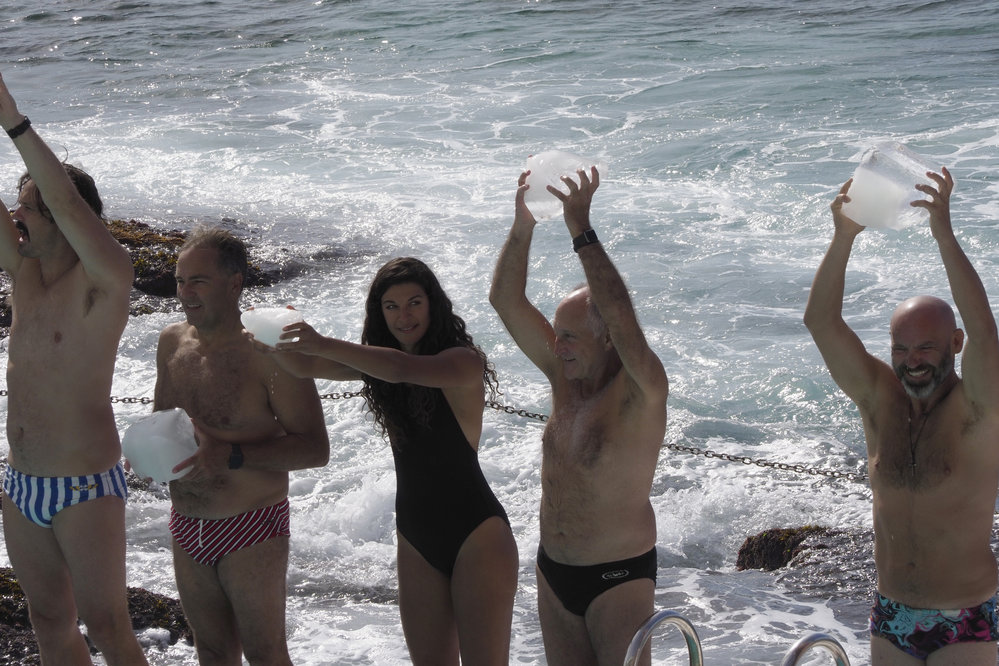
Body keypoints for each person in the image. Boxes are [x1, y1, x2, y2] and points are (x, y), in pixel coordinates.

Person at [251, 257, 518, 666]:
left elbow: (399, 369)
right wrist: (273, 340)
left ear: (433, 304)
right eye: (391, 306)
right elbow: (305, 365)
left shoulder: (462, 361)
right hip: (415, 535)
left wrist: (321, 341)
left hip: (478, 532)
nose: (403, 316)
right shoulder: (377, 363)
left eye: (414, 303)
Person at [804, 168, 999, 664]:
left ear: (955, 344)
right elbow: (820, 322)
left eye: (926, 347)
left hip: (964, 619)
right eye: (901, 349)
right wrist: (844, 236)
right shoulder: (878, 400)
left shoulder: (978, 408)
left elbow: (984, 328)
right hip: (891, 616)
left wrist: (944, 235)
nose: (913, 361)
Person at [489, 167, 669, 666]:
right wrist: (523, 225)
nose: (558, 345)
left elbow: (622, 316)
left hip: (617, 577)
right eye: (558, 334)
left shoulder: (641, 390)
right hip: (554, 572)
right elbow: (504, 300)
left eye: (570, 336)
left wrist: (581, 229)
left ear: (606, 337)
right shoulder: (564, 377)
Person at [0, 73, 149, 665]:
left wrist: (13, 120)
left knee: (108, 627)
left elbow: (64, 200)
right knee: (48, 621)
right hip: (21, 483)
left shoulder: (103, 281)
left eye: (28, 205)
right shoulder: (25, 274)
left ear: (65, 218)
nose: (16, 213)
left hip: (83, 487)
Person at [152, 227, 330, 666]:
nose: (185, 292)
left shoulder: (268, 352)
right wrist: (143, 455)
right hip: (186, 522)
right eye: (180, 280)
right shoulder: (171, 342)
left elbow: (315, 449)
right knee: (212, 653)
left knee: (265, 655)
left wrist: (231, 455)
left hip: (251, 525)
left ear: (234, 284)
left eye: (198, 281)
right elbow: (163, 427)